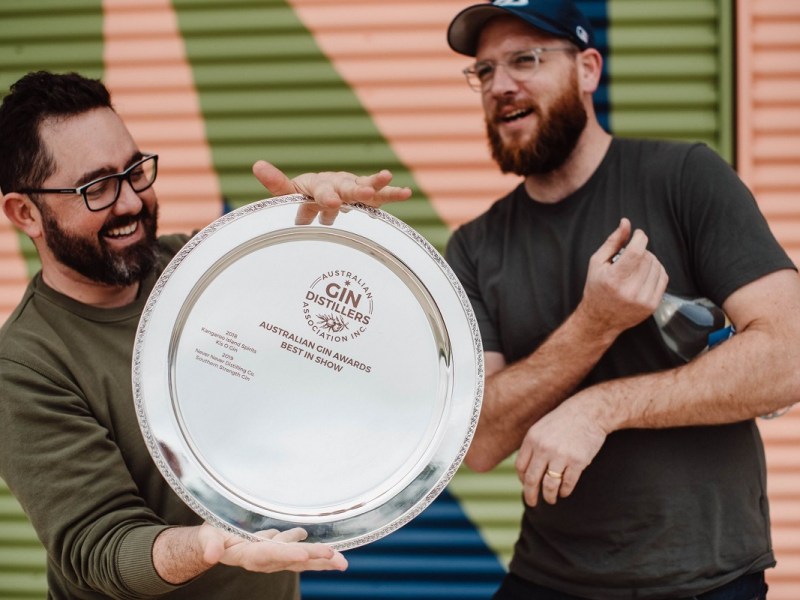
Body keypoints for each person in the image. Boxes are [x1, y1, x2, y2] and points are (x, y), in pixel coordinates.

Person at [0, 70, 411, 599]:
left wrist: (312, 220)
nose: (130, 203)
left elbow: (322, 313)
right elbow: (101, 546)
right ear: (25, 213)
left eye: (135, 172)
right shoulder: (26, 366)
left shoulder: (204, 269)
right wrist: (210, 545)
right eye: (96, 188)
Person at [441, 1, 800, 599]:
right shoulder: (476, 247)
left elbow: (789, 356)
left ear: (588, 68)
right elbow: (478, 441)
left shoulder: (685, 177)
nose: (500, 85)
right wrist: (594, 324)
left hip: (706, 580)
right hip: (549, 577)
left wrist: (599, 409)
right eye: (484, 70)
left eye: (525, 60)